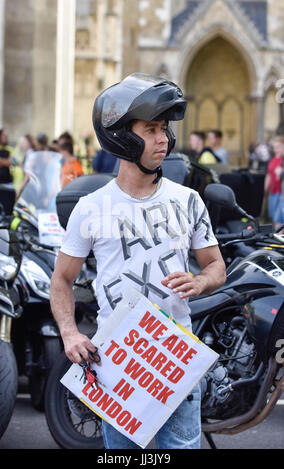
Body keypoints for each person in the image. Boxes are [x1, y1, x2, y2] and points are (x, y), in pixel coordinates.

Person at [50, 73, 226, 450]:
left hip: (175, 363)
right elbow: (62, 280)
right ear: (122, 136)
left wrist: (200, 282)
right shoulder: (90, 209)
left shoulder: (188, 201)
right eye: (151, 129)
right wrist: (69, 333)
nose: (164, 139)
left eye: (165, 129)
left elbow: (216, 267)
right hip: (119, 368)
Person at [264, 135, 284, 228]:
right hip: (273, 192)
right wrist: (265, 190)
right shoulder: (272, 160)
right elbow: (269, 175)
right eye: (274, 147)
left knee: (278, 219)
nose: (276, 149)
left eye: (279, 146)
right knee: (275, 218)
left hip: (281, 193)